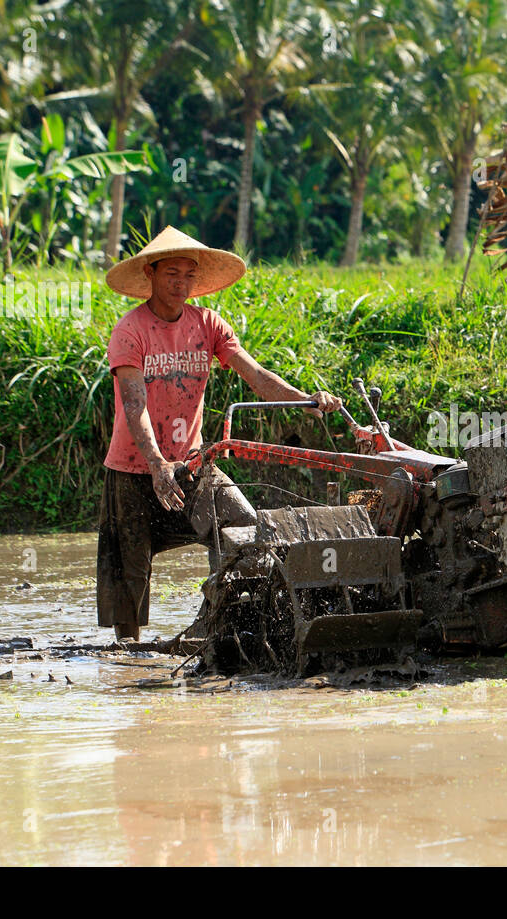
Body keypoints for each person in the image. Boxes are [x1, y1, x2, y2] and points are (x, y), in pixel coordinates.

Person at [96, 225, 341, 644]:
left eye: (189, 275)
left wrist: (307, 400)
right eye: (172, 273)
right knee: (129, 574)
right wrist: (157, 466)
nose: (181, 283)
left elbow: (256, 375)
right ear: (151, 275)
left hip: (191, 464)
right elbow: (134, 405)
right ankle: (128, 658)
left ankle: (221, 623)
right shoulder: (131, 330)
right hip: (136, 469)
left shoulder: (208, 324)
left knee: (243, 527)